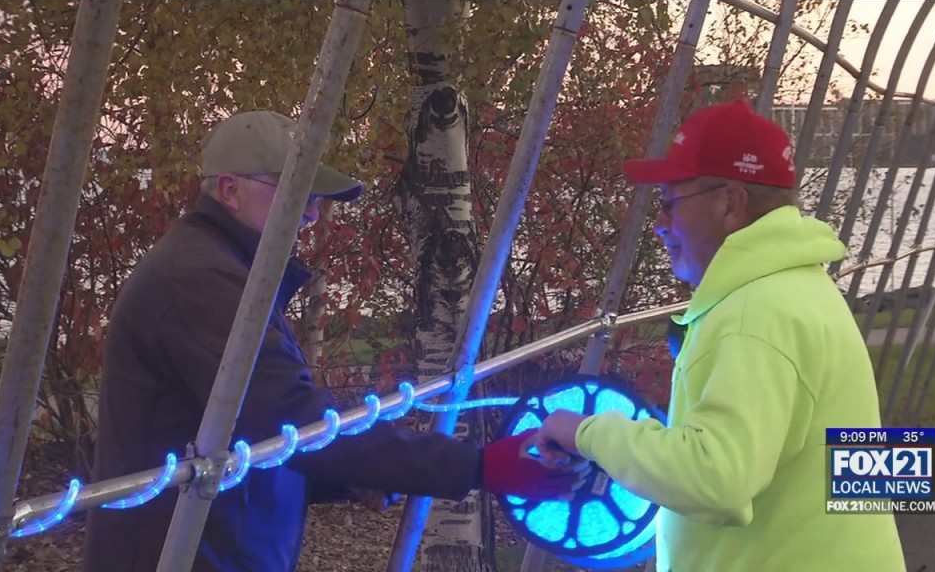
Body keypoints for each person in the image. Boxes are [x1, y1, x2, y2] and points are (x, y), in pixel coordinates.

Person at [82, 110, 585, 572]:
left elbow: (244, 436)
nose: (312, 214)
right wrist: (477, 466)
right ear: (229, 190)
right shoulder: (201, 279)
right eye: (295, 192)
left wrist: (340, 478)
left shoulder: (226, 268)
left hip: (207, 546)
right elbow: (290, 419)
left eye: (314, 197)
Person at [532, 100, 907, 572]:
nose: (659, 224)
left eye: (670, 203)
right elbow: (856, 464)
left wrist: (585, 432)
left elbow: (718, 482)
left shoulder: (756, 314)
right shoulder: (802, 287)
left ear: (730, 203)